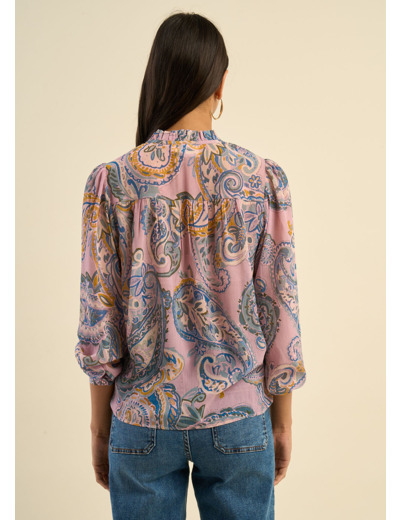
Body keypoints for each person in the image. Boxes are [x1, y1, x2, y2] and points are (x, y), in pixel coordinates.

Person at [75, 10, 307, 520]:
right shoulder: (260, 179)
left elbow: (99, 316)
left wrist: (100, 427)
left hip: (141, 420)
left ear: (157, 78)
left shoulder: (113, 183)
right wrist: (282, 420)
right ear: (220, 84)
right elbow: (280, 308)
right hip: (240, 415)